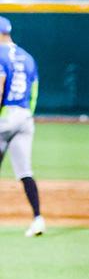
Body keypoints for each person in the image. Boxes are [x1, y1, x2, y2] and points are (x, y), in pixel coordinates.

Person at [0, 17, 43, 237]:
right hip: (25, 117)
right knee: (25, 171)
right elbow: (34, 91)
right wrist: (28, 114)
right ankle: (37, 219)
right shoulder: (27, 57)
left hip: (4, 117)